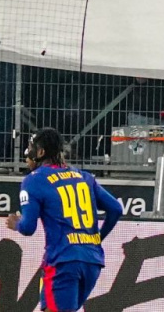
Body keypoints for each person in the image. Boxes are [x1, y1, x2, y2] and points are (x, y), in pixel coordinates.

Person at [12, 128, 124, 311]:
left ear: (40, 152)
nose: (27, 155)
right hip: (92, 261)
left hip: (62, 261)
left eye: (30, 149)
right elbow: (116, 209)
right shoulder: (83, 177)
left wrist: (17, 223)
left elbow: (28, 227)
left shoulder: (34, 180)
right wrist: (96, 238)